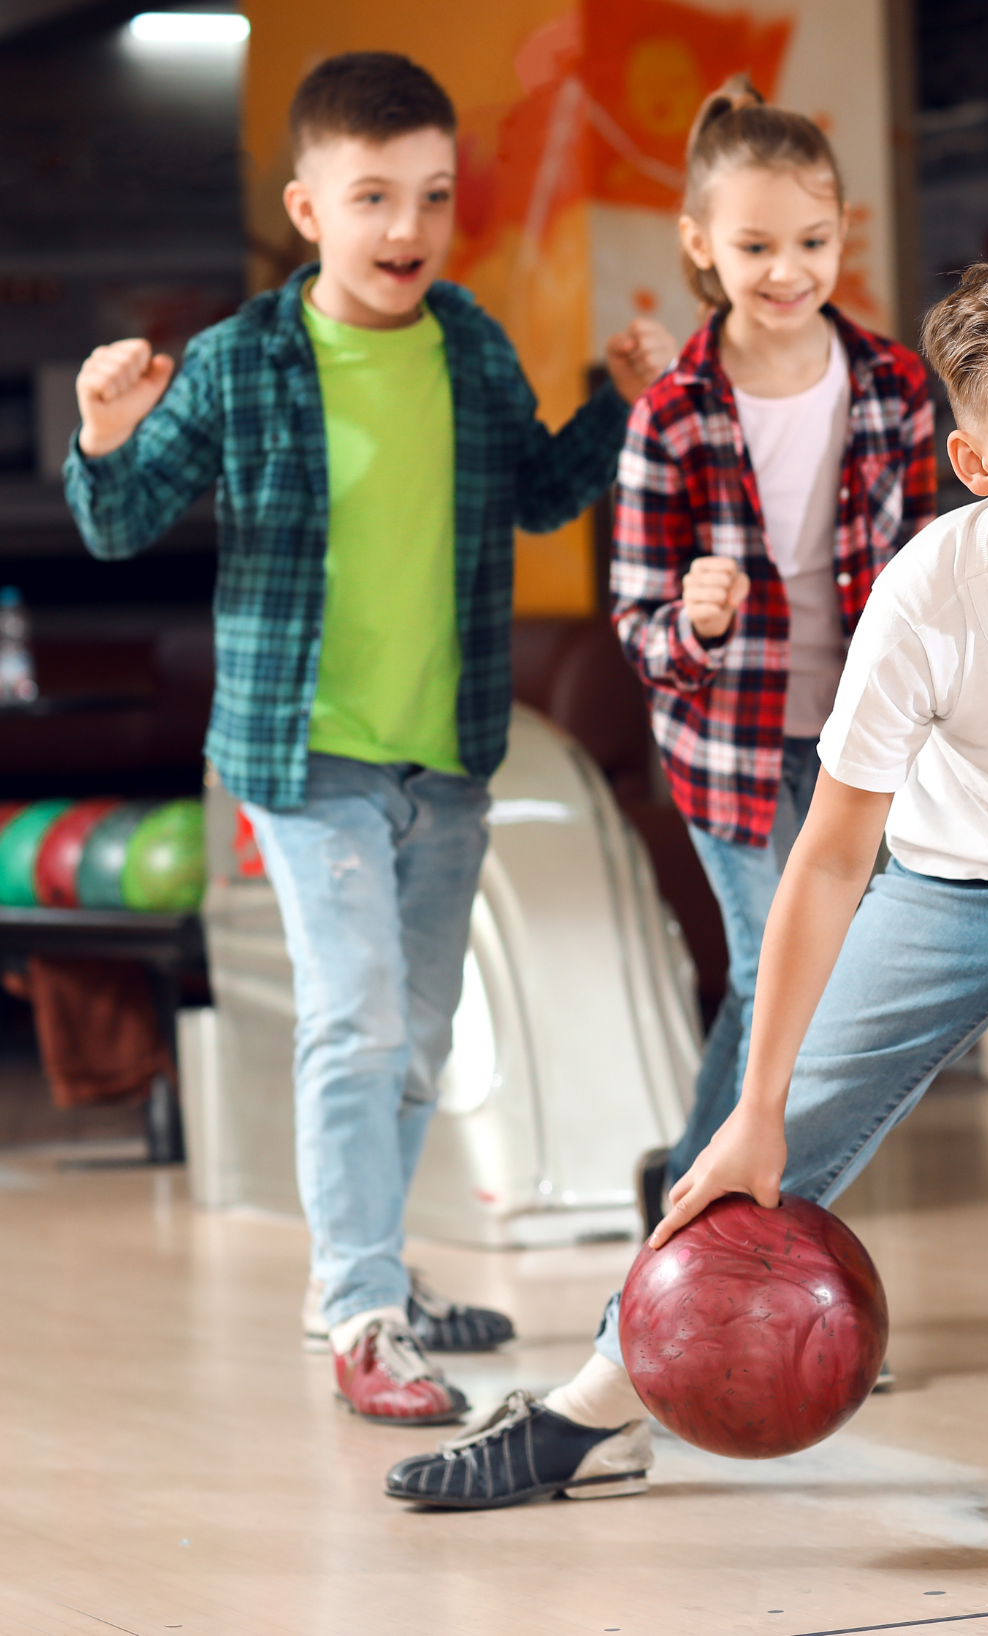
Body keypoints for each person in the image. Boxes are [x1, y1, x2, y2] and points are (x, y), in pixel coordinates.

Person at [384, 252, 988, 1599]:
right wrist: (760, 1100)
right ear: (974, 461)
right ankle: (595, 1410)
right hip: (939, 886)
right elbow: (831, 861)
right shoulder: (924, 597)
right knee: (757, 1153)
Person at [64, 52, 673, 1424]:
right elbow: (119, 523)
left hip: (444, 757)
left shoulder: (466, 342)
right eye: (374, 197)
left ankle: (367, 1270)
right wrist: (106, 437)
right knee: (354, 1020)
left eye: (434, 197)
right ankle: (360, 1311)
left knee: (415, 1034)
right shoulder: (240, 362)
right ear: (308, 208)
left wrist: (619, 404)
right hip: (301, 752)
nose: (407, 228)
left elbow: (533, 494)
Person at [610, 77, 934, 1231]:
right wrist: (694, 622)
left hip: (862, 742)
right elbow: (637, 622)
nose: (788, 268)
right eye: (754, 244)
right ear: (701, 244)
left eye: (812, 239)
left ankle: (695, 1193)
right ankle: (734, 1237)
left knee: (823, 986)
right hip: (727, 750)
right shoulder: (672, 410)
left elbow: (937, 574)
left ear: (844, 232)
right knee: (778, 977)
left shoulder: (895, 386)